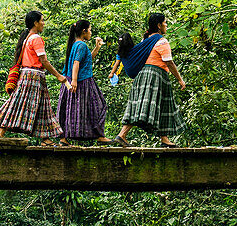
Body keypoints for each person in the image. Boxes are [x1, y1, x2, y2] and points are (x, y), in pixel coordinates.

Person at [0, 10, 69, 145]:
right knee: (19, 103)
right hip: (33, 76)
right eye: (42, 21)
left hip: (30, 76)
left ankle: (45, 139)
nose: (43, 24)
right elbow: (43, 60)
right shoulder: (36, 39)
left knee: (41, 106)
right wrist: (58, 76)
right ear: (35, 23)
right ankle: (1, 131)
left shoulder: (27, 38)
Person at [111, 13, 186, 147]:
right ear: (158, 25)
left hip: (147, 76)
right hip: (154, 76)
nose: (166, 25)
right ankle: (121, 135)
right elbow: (169, 62)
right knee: (144, 107)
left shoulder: (145, 41)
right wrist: (180, 80)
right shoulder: (161, 41)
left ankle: (165, 139)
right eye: (165, 22)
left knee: (162, 105)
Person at [57, 19, 111, 143]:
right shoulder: (81, 45)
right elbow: (76, 63)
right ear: (84, 31)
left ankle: (64, 138)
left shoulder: (75, 44)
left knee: (70, 108)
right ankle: (99, 135)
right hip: (82, 81)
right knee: (98, 106)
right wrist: (75, 81)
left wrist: (96, 48)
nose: (91, 32)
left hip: (72, 80)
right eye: (90, 29)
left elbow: (86, 59)